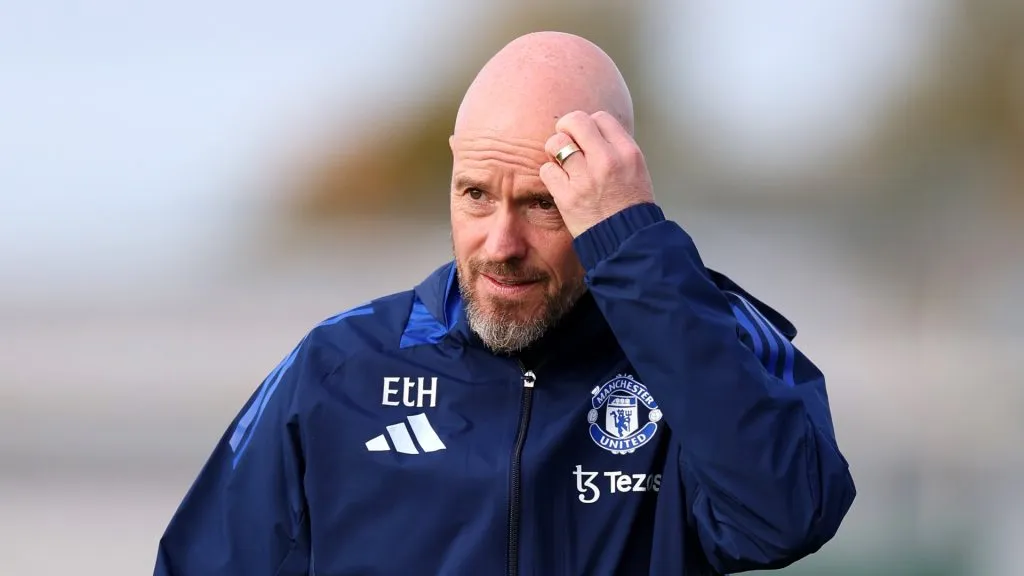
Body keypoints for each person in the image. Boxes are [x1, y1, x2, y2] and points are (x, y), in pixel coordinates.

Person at [154, 31, 856, 575]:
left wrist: (637, 253)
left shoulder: (701, 337)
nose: (500, 242)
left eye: (542, 204)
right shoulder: (338, 366)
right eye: (475, 195)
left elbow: (785, 517)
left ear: (606, 197)